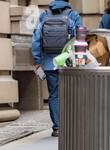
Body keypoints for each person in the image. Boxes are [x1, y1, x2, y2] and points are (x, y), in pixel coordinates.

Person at [32, 0, 82, 137]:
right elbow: (80, 38)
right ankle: (72, 125)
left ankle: (58, 127)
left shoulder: (44, 16)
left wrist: (37, 60)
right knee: (72, 94)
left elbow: (36, 38)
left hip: (49, 62)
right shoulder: (73, 15)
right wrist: (80, 60)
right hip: (69, 62)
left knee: (54, 95)